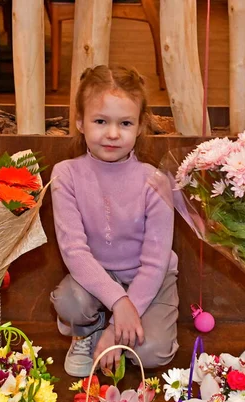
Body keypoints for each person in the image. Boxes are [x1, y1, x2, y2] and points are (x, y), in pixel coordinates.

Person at [50, 65, 179, 377]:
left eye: (124, 123)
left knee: (151, 353)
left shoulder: (154, 182)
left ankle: (112, 334)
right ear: (80, 122)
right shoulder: (65, 174)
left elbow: (155, 262)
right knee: (69, 301)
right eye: (100, 121)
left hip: (148, 279)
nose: (112, 133)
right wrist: (119, 304)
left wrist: (116, 331)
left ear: (139, 126)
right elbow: (75, 252)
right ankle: (87, 330)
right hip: (95, 277)